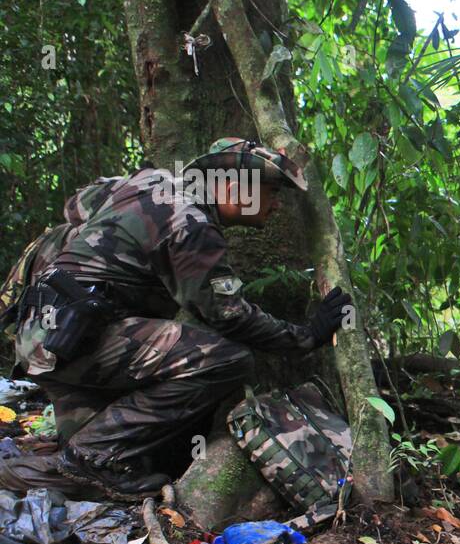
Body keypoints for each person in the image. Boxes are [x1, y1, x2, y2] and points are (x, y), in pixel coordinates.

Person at [3, 138, 351, 499]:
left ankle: (45, 467)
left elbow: (77, 206)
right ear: (233, 189)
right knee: (225, 359)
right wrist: (308, 335)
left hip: (48, 337)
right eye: (272, 192)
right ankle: (88, 456)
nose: (277, 205)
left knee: (95, 473)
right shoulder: (191, 222)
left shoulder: (148, 183)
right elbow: (228, 315)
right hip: (76, 341)